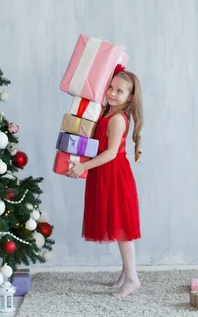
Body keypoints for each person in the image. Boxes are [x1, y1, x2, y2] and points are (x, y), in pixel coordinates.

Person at [66, 64, 144, 298]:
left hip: (114, 174)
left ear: (129, 97)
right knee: (116, 223)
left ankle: (132, 278)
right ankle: (125, 273)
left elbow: (110, 153)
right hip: (105, 173)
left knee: (122, 227)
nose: (111, 93)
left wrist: (82, 166)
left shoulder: (117, 119)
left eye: (119, 91)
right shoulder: (105, 112)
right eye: (110, 87)